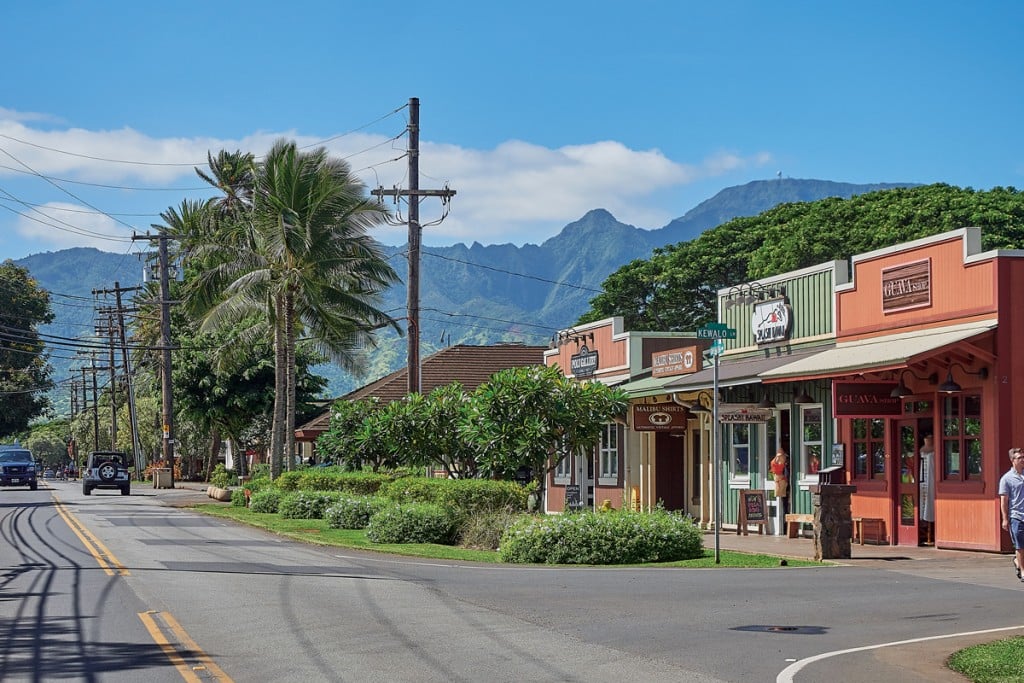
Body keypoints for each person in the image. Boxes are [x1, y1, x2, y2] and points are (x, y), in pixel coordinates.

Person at [998, 447, 1024, 582]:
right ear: (1012, 460)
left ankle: (1017, 561)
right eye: (1019, 458)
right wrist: (1005, 519)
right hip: (1016, 516)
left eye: (1023, 457)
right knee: (1020, 546)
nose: (1022, 460)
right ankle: (1023, 571)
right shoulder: (1006, 479)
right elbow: (1004, 501)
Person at [919, 434, 936, 544]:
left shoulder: (935, 448)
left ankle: (931, 533)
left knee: (930, 500)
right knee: (922, 501)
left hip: (932, 476)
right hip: (922, 477)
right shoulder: (921, 449)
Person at [769, 450, 789, 515]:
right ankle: (785, 514)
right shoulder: (776, 463)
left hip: (781, 481)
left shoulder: (775, 462)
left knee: (784, 500)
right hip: (781, 481)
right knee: (783, 499)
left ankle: (785, 513)